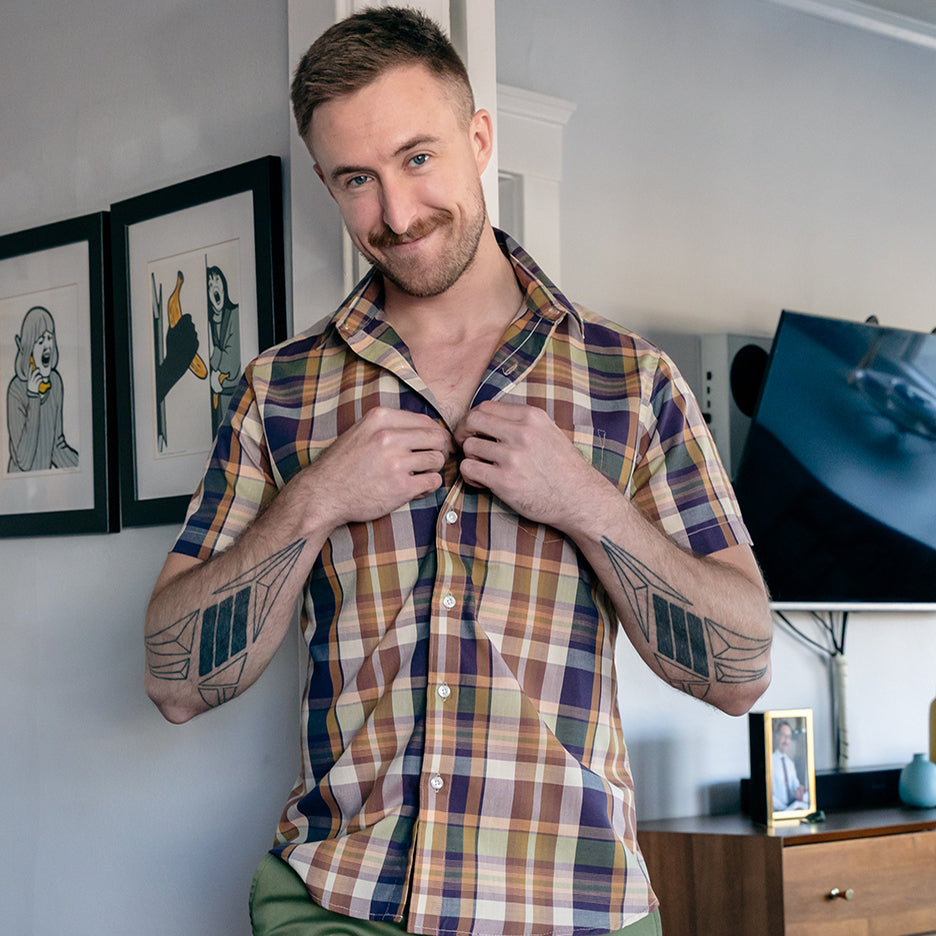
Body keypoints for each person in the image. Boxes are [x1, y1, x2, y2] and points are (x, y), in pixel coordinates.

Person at [143, 8, 773, 936]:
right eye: (357, 180)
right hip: (338, 908)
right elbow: (174, 682)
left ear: (479, 140)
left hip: (573, 909)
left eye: (418, 158)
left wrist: (582, 501)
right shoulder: (278, 391)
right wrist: (313, 499)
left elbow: (741, 672)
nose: (395, 213)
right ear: (326, 182)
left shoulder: (631, 382)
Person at [772, 720, 808, 812]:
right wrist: (785, 809)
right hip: (778, 810)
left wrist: (800, 791)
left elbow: (794, 786)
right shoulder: (770, 762)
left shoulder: (790, 763)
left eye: (789, 737)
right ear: (776, 736)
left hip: (791, 808)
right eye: (784, 736)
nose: (786, 740)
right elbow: (768, 794)